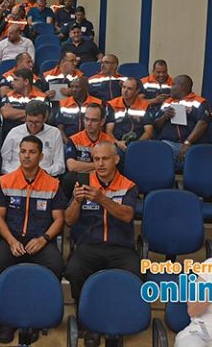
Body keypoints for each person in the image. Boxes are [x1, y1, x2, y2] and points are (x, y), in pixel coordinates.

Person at [0, 135, 66, 344]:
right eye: (23, 151)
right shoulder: (5, 181)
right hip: (11, 238)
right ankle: (7, 316)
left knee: (55, 265)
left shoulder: (53, 184)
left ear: (41, 156)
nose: (26, 156)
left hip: (40, 240)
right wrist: (11, 241)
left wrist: (44, 239)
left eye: (32, 152)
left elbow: (59, 219)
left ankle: (38, 315)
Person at [64, 141, 140, 347]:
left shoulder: (128, 185)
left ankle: (117, 324)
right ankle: (86, 322)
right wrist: (77, 201)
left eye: (105, 159)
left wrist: (101, 198)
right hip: (90, 245)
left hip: (120, 247)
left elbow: (127, 215)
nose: (100, 164)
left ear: (116, 159)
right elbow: (69, 220)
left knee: (133, 273)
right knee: (74, 270)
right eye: (96, 159)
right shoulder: (83, 183)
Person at [152, 74, 212, 168]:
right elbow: (155, 126)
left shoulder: (198, 102)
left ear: (183, 87)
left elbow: (203, 123)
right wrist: (164, 117)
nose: (170, 87)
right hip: (166, 143)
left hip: (190, 146)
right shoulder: (167, 102)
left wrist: (187, 142)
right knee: (152, 149)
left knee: (160, 154)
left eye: (173, 84)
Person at [63, 103, 115, 197]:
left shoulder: (109, 141)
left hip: (102, 178)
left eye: (93, 120)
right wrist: (99, 166)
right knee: (68, 178)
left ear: (102, 122)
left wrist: (83, 166)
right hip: (80, 179)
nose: (89, 123)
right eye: (86, 119)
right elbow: (71, 166)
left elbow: (111, 166)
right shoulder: (74, 139)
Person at [1, 99, 65, 177]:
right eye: (30, 121)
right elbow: (3, 162)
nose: (33, 126)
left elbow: (60, 164)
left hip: (45, 177)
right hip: (16, 177)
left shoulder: (55, 133)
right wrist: (16, 174)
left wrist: (43, 173)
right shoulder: (14, 132)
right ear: (25, 118)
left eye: (37, 122)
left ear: (44, 119)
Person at [106, 77, 155, 150]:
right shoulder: (112, 104)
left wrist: (135, 146)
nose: (125, 91)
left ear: (136, 91)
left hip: (139, 144)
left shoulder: (144, 105)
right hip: (118, 144)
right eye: (124, 87)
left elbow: (149, 132)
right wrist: (117, 143)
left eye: (129, 89)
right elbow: (109, 131)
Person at [52, 76, 106, 142]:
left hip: (93, 142)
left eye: (77, 87)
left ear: (86, 88)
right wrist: (68, 143)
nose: (73, 89)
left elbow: (102, 127)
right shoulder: (63, 104)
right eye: (71, 86)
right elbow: (60, 128)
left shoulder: (98, 103)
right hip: (69, 141)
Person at [0, 68, 47, 138]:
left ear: (26, 81)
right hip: (12, 137)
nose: (12, 83)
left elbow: (45, 117)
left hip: (37, 137)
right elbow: (6, 114)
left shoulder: (42, 97)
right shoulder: (8, 96)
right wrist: (35, 115)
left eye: (16, 80)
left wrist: (14, 113)